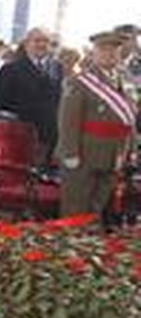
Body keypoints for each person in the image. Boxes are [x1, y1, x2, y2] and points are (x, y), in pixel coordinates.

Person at [55, 29, 137, 218]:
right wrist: (70, 153)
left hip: (113, 155)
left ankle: (87, 244)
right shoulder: (80, 81)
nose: (110, 54)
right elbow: (68, 120)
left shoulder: (124, 82)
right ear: (94, 52)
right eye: (104, 49)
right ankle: (71, 245)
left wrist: (130, 150)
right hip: (84, 153)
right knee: (75, 209)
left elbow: (128, 120)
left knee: (97, 209)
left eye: (114, 49)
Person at [0, 27, 61, 165]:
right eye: (37, 41)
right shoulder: (10, 69)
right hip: (20, 135)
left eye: (46, 41)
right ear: (26, 44)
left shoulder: (57, 67)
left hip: (49, 136)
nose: (42, 45)